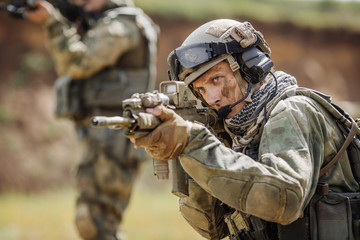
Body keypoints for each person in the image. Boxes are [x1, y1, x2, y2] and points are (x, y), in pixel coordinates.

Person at [130, 19, 360, 239]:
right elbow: (211, 228)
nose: (212, 98)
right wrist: (184, 152)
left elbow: (283, 201)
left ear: (252, 68)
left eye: (217, 79)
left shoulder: (292, 111)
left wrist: (193, 141)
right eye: (200, 89)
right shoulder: (237, 133)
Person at [26, 0, 159, 239]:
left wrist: (52, 23)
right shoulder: (109, 22)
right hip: (103, 135)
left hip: (113, 138)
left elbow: (77, 63)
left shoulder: (120, 25)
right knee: (94, 221)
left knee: (94, 222)